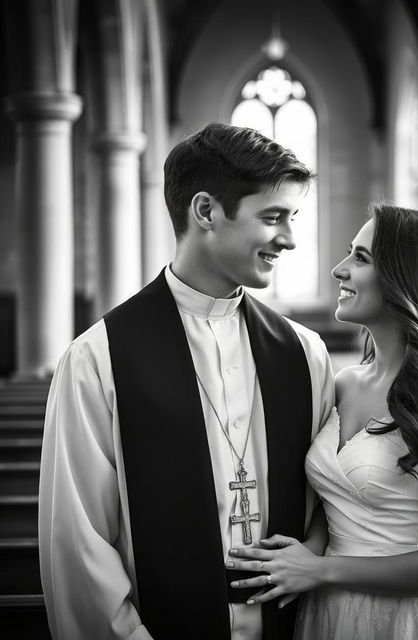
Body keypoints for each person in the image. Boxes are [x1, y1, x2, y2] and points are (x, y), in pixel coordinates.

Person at [38, 122, 335, 640]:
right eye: (273, 217)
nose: (288, 238)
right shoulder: (97, 358)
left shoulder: (304, 353)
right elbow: (79, 541)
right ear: (205, 212)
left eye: (292, 218)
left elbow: (326, 510)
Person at [226, 204, 418, 639]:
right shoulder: (345, 383)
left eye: (361, 258)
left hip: (404, 619)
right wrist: (308, 550)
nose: (338, 269)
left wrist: (323, 570)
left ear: (410, 277)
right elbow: (337, 496)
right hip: (325, 611)